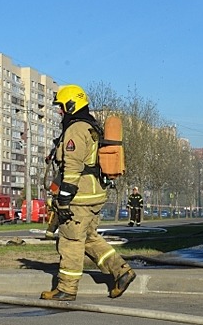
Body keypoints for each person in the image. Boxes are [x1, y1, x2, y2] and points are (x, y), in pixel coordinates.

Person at [40, 84, 135, 301]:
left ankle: (66, 289)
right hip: (94, 195)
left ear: (71, 105)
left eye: (61, 107)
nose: (59, 112)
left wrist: (64, 199)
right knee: (89, 238)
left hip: (79, 197)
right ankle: (122, 272)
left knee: (70, 241)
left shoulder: (75, 129)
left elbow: (73, 167)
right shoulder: (91, 127)